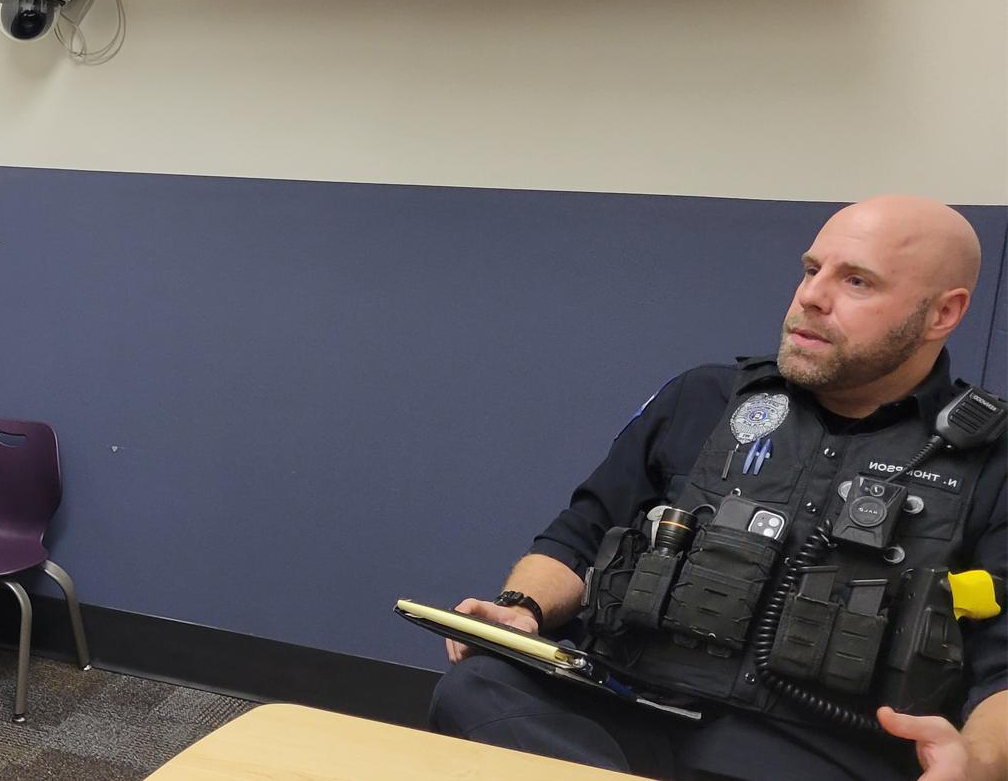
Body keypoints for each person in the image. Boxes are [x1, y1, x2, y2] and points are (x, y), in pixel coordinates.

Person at [428, 196, 1008, 780]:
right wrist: (521, 609)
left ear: (942, 313)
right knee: (480, 684)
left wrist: (978, 763)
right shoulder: (704, 399)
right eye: (811, 270)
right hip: (627, 711)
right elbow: (579, 537)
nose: (811, 297)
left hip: (818, 753)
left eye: (857, 281)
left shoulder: (993, 461)